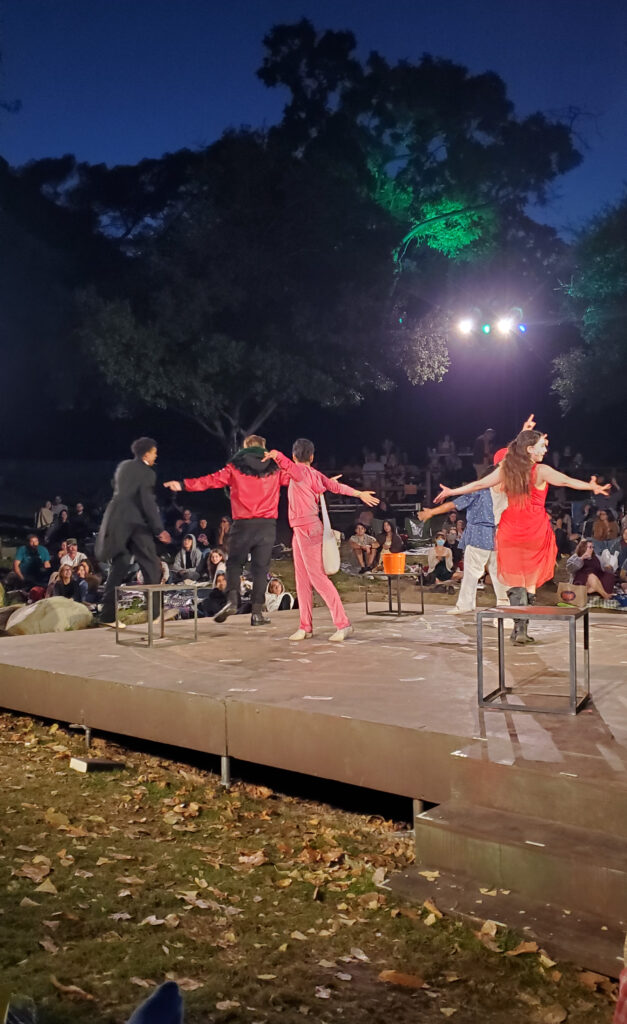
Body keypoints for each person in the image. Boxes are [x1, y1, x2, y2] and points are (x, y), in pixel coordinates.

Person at [436, 428, 610, 643]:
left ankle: (519, 627)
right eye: (542, 446)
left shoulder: (507, 471)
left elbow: (480, 484)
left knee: (516, 579)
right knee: (528, 580)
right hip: (533, 528)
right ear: (530, 449)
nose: (545, 449)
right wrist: (591, 487)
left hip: (510, 528)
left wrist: (451, 492)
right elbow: (565, 481)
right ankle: (522, 627)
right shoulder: (541, 471)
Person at [164, 435, 289, 626]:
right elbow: (298, 478)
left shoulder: (235, 467)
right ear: (264, 449)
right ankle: (257, 613)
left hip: (242, 524)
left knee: (234, 564)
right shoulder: (276, 469)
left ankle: (232, 600)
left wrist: (183, 485)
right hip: (266, 525)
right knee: (260, 570)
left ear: (245, 447)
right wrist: (323, 483)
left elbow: (210, 480)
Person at [263, 438, 379, 641]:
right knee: (302, 580)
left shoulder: (298, 471)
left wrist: (274, 453)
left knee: (318, 578)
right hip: (299, 530)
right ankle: (305, 626)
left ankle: (343, 624)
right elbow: (335, 487)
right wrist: (358, 493)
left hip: (308, 529)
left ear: (294, 456)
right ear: (312, 456)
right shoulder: (311, 474)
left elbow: (288, 466)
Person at [419, 448, 510, 614]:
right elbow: (455, 504)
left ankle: (504, 607)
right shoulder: (480, 491)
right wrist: (432, 512)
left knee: (499, 574)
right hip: (480, 534)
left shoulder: (510, 492)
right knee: (473, 572)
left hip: (497, 535)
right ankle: (467, 604)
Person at [96, 437, 171, 627]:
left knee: (119, 566)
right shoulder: (147, 473)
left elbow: (118, 488)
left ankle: (107, 615)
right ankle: (154, 614)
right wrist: (158, 529)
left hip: (115, 520)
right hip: (135, 523)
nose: (156, 455)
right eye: (154, 452)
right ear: (146, 454)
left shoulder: (123, 466)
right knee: (151, 565)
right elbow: (147, 501)